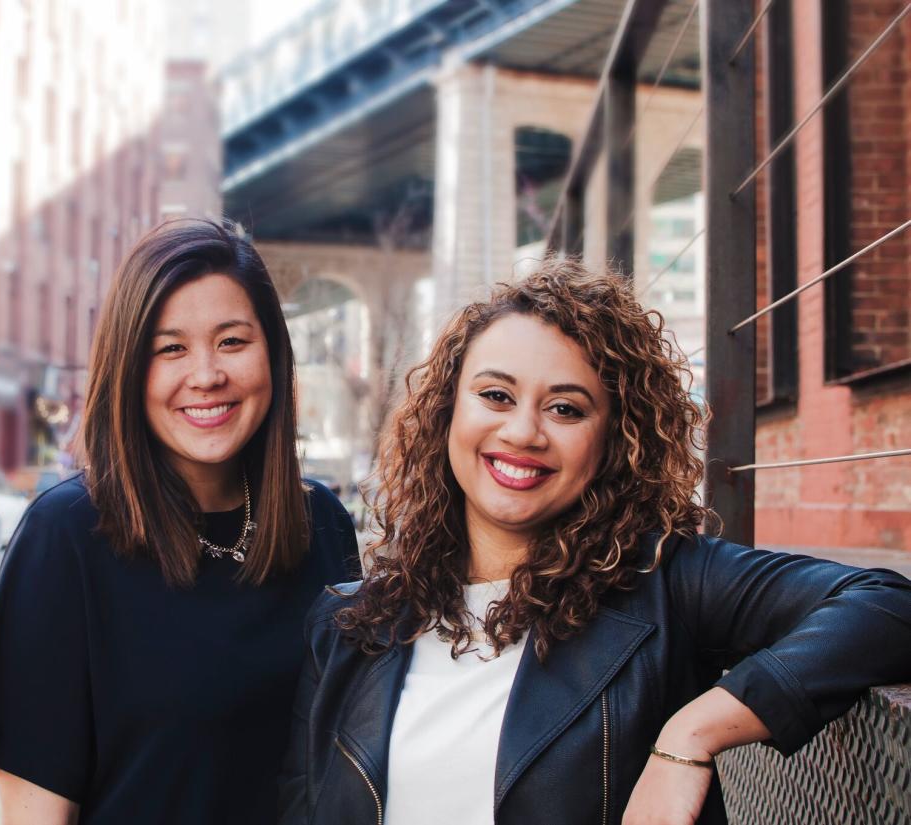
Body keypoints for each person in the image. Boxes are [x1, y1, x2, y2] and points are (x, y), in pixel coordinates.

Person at [279, 260, 911, 825]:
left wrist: (691, 734)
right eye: (495, 396)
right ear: (447, 411)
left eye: (566, 409)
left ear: (616, 438)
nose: (523, 431)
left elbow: (885, 604)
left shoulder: (667, 583)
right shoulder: (346, 626)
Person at [0, 219, 358, 825]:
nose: (205, 375)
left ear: (273, 355)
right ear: (128, 371)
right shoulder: (65, 538)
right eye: (170, 349)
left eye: (232, 341)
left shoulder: (321, 523)